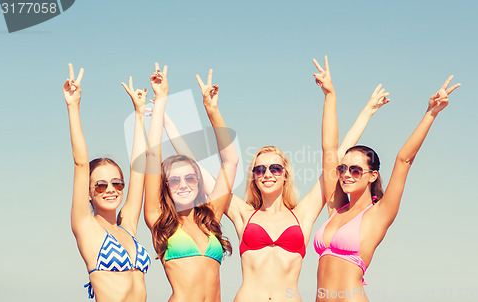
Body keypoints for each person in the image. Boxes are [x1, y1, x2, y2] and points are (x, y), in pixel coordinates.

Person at [162, 55, 389, 301]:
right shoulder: (243, 214)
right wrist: (205, 113)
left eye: (275, 169)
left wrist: (334, 98)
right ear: (254, 178)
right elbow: (195, 168)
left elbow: (333, 155)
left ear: (285, 176)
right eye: (259, 170)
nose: (267, 174)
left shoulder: (302, 215)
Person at [314, 76, 461, 301]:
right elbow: (328, 149)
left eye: (355, 170)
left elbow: (404, 160)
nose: (345, 174)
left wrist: (431, 113)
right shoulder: (336, 208)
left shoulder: (379, 213)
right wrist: (329, 96)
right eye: (343, 168)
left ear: (373, 176)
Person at [143, 64, 239, 302]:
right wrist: (161, 98)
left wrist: (212, 109)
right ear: (166, 186)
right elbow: (153, 155)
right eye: (174, 180)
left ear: (198, 182)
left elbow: (231, 161)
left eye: (190, 177)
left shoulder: (210, 216)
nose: (183, 184)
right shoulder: (159, 220)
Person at [64, 63, 151, 301]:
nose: (110, 189)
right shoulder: (86, 226)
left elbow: (140, 168)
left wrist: (139, 115)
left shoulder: (128, 225)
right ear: (89, 193)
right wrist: (73, 106)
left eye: (117, 183)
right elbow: (81, 163)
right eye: (100, 185)